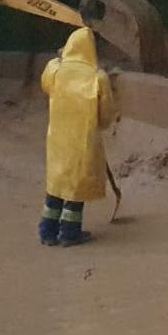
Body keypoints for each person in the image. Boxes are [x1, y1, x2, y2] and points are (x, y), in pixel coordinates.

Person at [37, 27, 117, 247]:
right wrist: (99, 125)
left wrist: (60, 57)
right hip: (83, 141)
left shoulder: (54, 70)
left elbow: (45, 83)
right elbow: (107, 114)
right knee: (75, 187)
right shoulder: (98, 78)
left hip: (57, 140)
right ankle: (70, 233)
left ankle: (47, 231)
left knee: (57, 184)